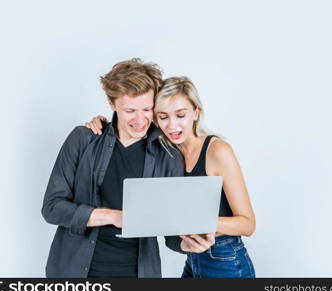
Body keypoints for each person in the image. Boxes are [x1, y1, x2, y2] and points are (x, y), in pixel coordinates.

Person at [42, 59, 215, 278]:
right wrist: (113, 216)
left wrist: (187, 244)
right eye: (130, 110)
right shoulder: (83, 139)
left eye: (147, 109)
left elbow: (170, 230)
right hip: (75, 272)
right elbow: (52, 207)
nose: (140, 119)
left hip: (138, 273)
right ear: (111, 103)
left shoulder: (169, 154)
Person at [86, 76, 256, 278]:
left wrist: (196, 221)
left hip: (225, 258)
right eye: (163, 116)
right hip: (193, 258)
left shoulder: (217, 150)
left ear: (196, 112)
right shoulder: (166, 152)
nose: (172, 126)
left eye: (181, 115)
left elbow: (247, 224)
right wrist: (103, 124)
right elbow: (132, 120)